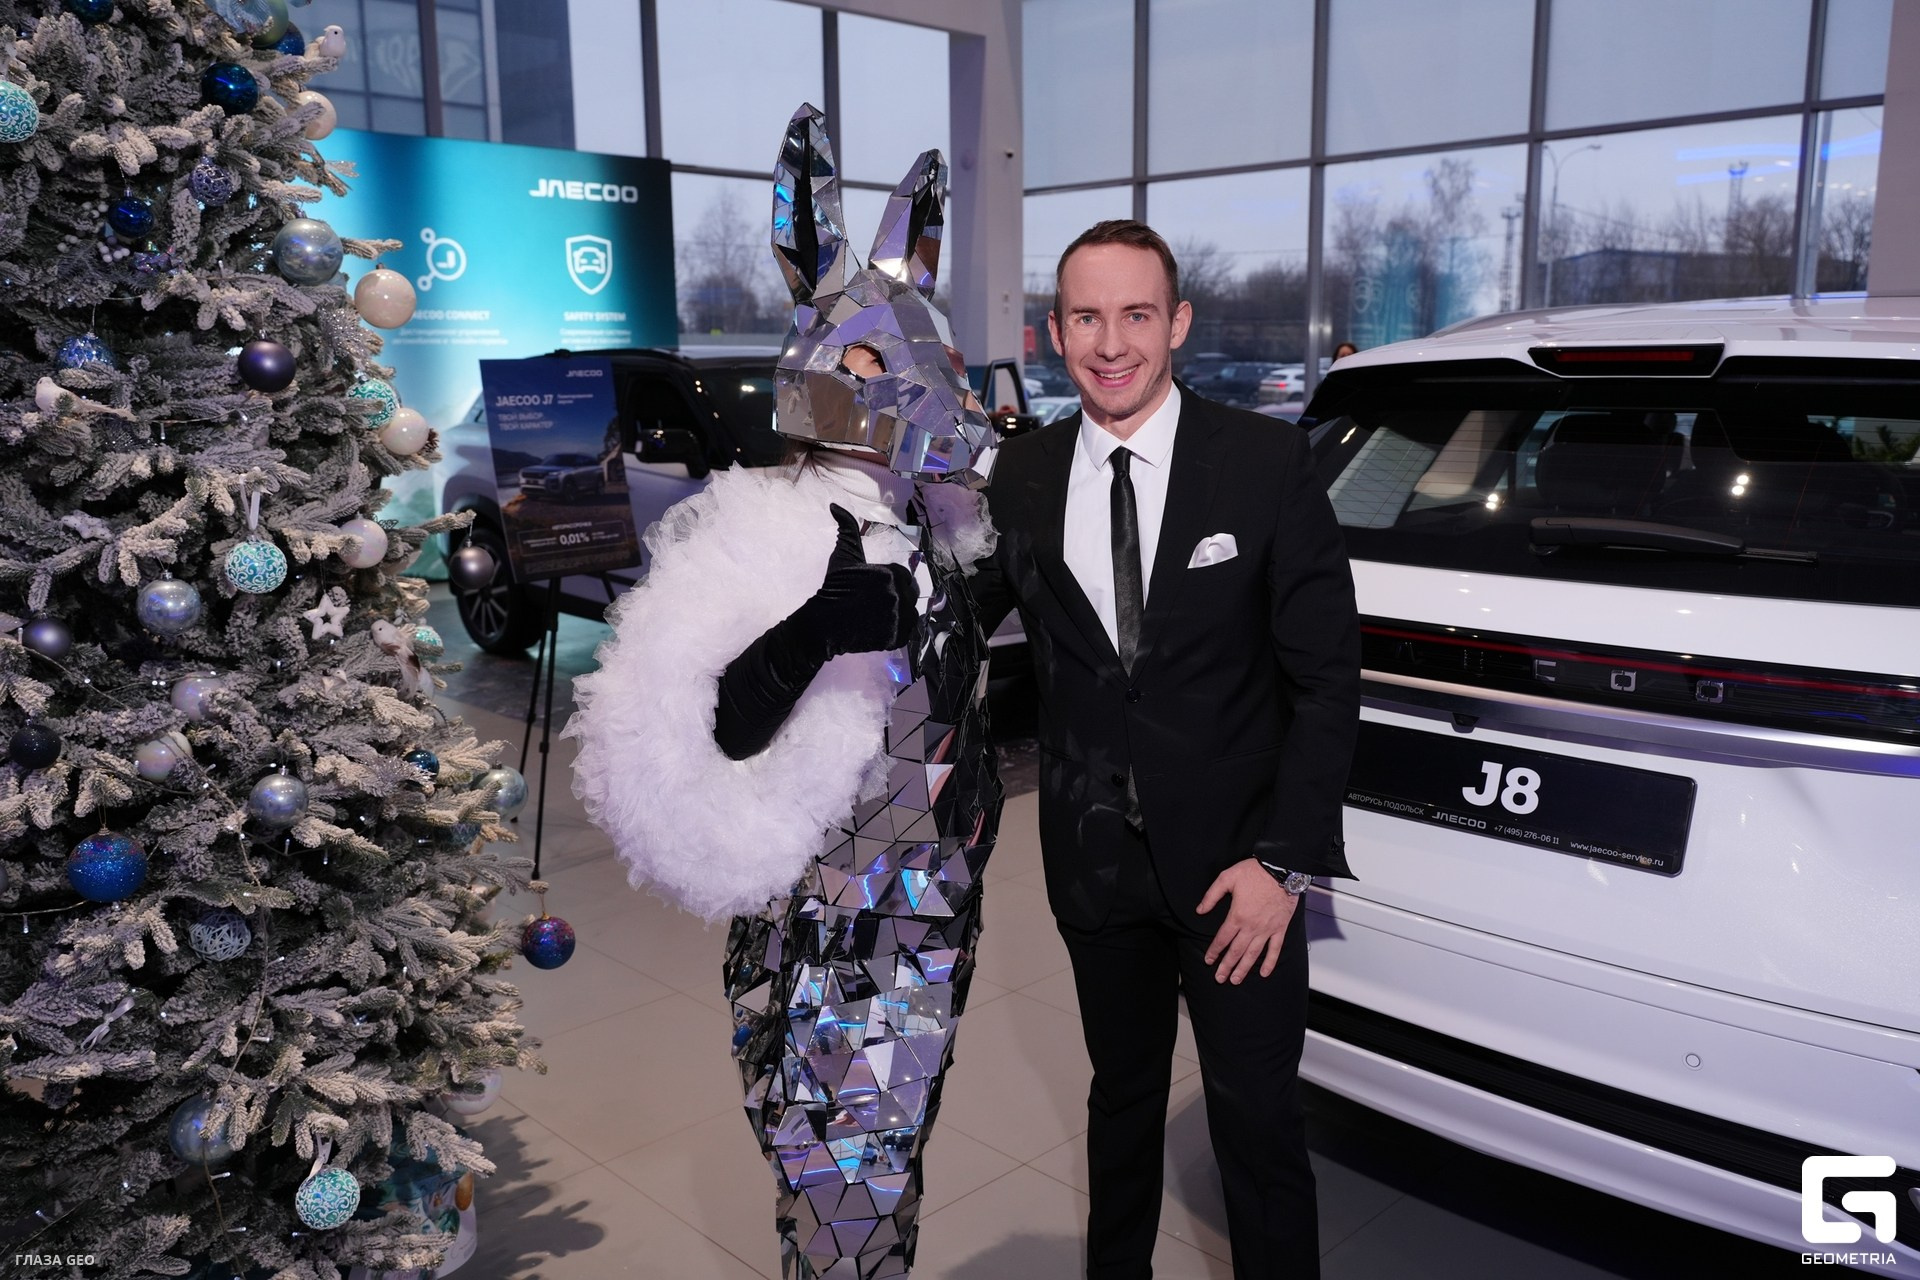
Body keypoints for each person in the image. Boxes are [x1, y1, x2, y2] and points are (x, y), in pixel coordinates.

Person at [565, 105, 1002, 1279]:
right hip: (834, 925)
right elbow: (695, 732)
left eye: (930, 366)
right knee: (840, 1168)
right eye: (867, 366)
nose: (915, 391)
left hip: (933, 913)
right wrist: (810, 631)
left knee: (882, 1161)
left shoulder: (937, 534)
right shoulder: (758, 536)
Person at [971, 219, 1360, 1279]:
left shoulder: (1266, 461)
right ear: (1055, 333)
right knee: (1123, 1100)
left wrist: (1284, 863)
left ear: (1177, 322)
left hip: (1241, 873)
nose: (1112, 345)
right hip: (1095, 864)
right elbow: (953, 624)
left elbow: (1328, 683)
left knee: (1257, 1124)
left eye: (1136, 315)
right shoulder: (1022, 473)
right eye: (1087, 318)